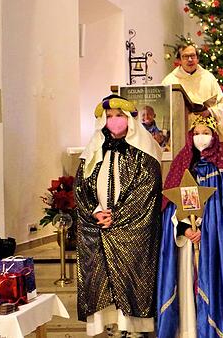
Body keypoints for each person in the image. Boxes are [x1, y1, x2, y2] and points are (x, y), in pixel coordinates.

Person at [73, 95, 163, 337]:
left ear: (130, 119)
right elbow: (80, 185)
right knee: (101, 276)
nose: (114, 120)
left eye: (119, 116)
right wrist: (95, 211)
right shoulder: (94, 149)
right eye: (109, 116)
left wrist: (118, 216)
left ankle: (134, 328)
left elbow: (147, 189)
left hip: (132, 227)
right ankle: (111, 326)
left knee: (131, 275)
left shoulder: (144, 150)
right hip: (99, 225)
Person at [156, 115, 223, 338]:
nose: (200, 137)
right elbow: (171, 206)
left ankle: (212, 330)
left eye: (205, 133)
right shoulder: (183, 161)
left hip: (212, 240)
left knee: (211, 282)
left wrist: (208, 229)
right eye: (196, 133)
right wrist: (184, 229)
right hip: (187, 239)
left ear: (214, 135)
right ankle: (189, 331)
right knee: (186, 286)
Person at [162, 44, 223, 144]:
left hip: (205, 134)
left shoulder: (208, 78)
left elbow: (221, 104)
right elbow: (164, 109)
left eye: (193, 56)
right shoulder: (170, 81)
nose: (190, 60)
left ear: (197, 59)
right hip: (180, 132)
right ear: (179, 60)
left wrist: (209, 111)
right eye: (185, 56)